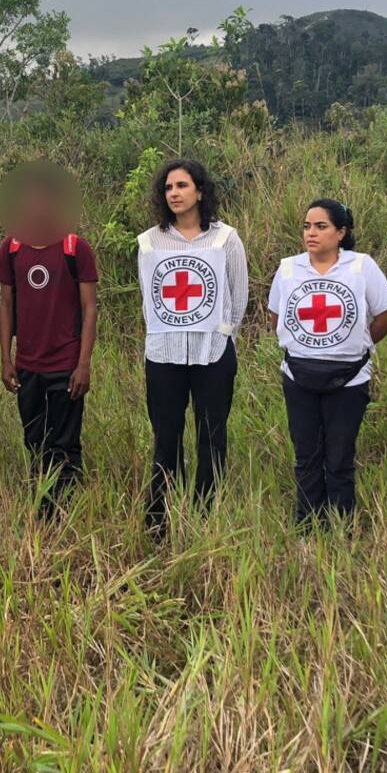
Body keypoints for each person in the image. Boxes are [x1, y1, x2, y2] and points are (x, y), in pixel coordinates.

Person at [137, 159, 249, 536]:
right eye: (169, 188)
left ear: (200, 191)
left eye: (182, 186)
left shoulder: (226, 239)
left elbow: (238, 297)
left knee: (211, 436)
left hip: (213, 354)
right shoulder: (150, 241)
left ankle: (204, 517)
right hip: (163, 354)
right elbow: (149, 299)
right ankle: (159, 520)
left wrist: (221, 337)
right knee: (165, 437)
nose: (175, 194)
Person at [269, 200, 387, 525]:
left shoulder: (362, 266)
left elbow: (386, 317)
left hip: (350, 379)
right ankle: (307, 524)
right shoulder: (288, 268)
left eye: (321, 226)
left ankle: (342, 526)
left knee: (340, 457)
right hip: (298, 376)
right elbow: (276, 317)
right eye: (307, 226)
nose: (311, 233)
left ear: (341, 232)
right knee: (306, 456)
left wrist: (355, 345)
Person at [0, 160, 98, 520]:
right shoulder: (11, 248)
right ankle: (43, 503)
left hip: (66, 362)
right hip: (27, 364)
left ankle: (65, 511)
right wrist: (6, 359)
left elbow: (89, 309)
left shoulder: (75, 247)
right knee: (33, 438)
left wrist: (83, 363)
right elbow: (6, 303)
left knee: (65, 441)